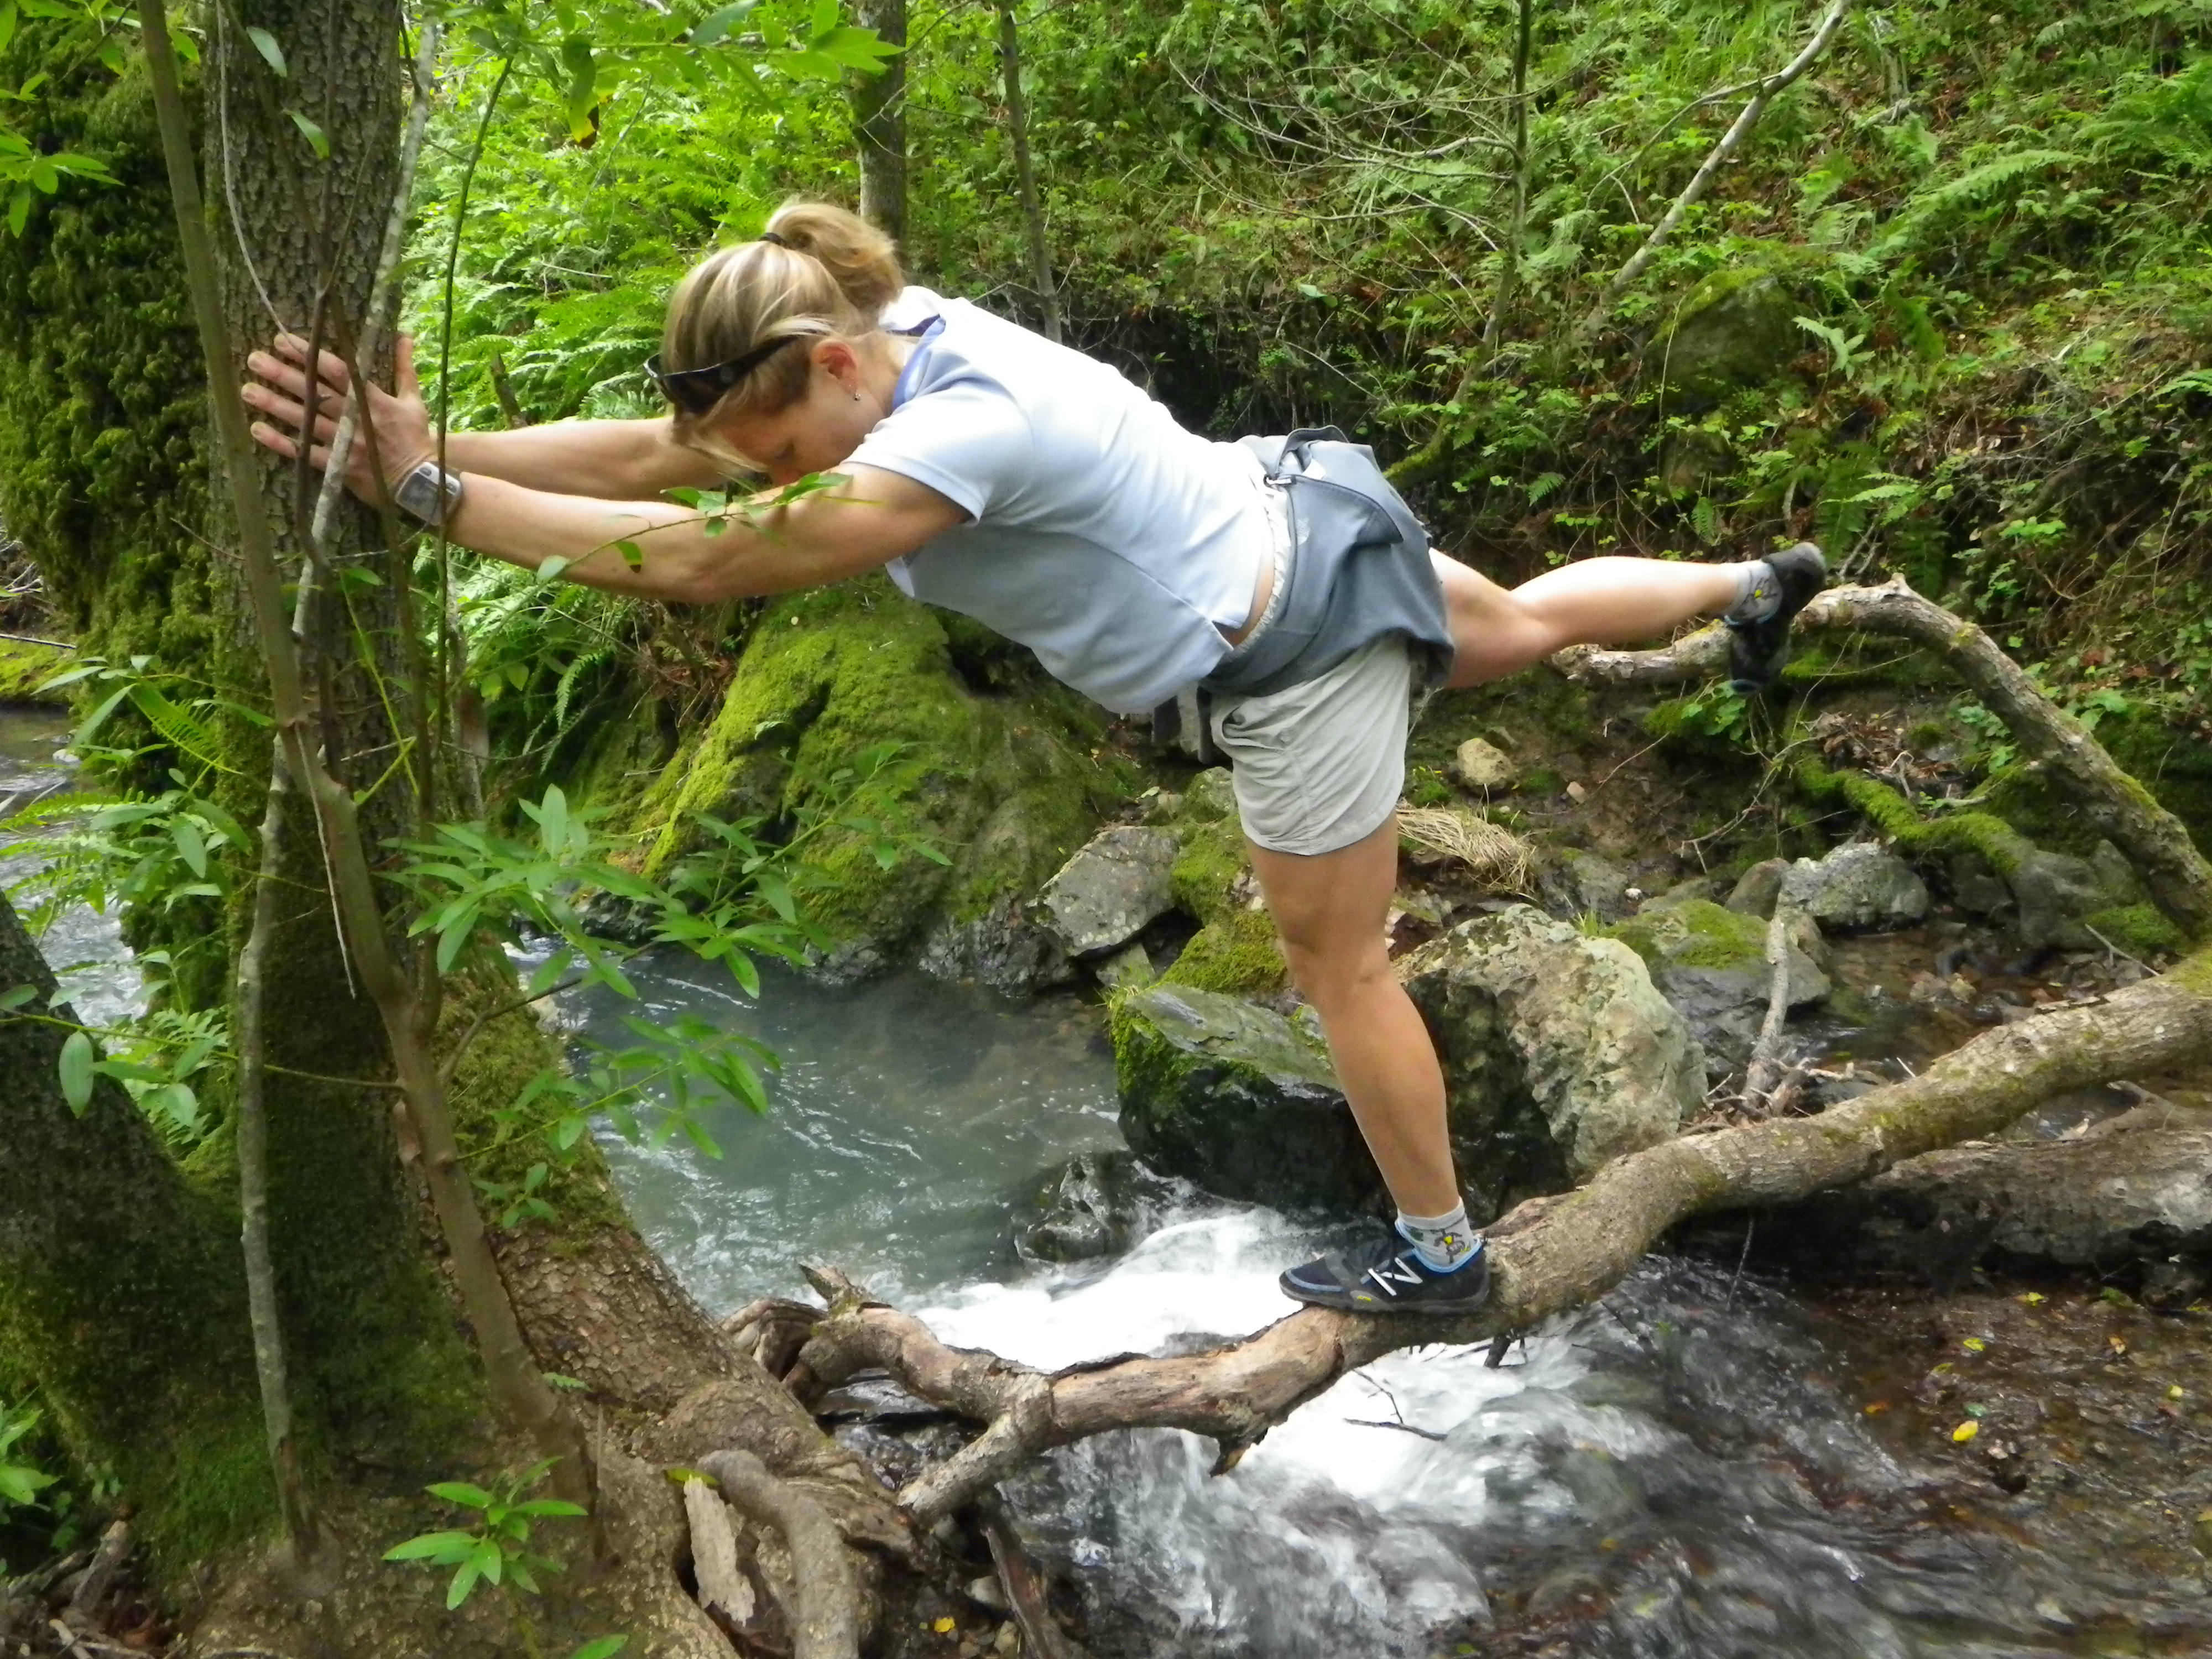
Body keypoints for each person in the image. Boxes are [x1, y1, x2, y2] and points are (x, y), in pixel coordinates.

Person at [242, 201, 1825, 1316]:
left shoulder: (965, 430)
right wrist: (430, 449)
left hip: (1299, 655)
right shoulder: (889, 329)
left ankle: (1442, 1255)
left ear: (833, 372)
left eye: (780, 453)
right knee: (1521, 624)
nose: (767, 474)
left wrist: (432, 501)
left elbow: (711, 555)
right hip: (1309, 514)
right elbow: (672, 458)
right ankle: (1754, 589)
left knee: (1339, 969)